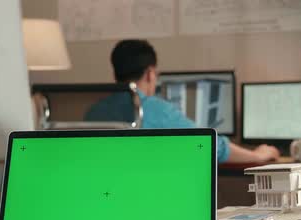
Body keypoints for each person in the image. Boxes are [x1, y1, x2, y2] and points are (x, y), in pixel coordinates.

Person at [85, 39, 280, 163]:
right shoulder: (157, 111)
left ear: (115, 74)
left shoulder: (93, 113)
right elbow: (209, 145)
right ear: (151, 74)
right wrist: (257, 155)